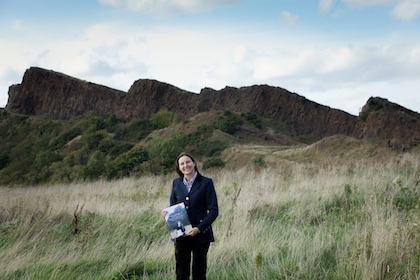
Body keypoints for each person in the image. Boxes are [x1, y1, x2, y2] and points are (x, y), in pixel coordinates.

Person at [162, 152, 219, 280]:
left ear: (194, 163)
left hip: (201, 234)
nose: (185, 165)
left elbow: (214, 210)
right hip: (181, 235)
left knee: (199, 273)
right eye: (182, 163)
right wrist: (167, 214)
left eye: (188, 162)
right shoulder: (176, 183)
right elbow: (174, 207)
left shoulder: (206, 182)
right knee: (181, 273)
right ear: (179, 167)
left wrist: (199, 228)